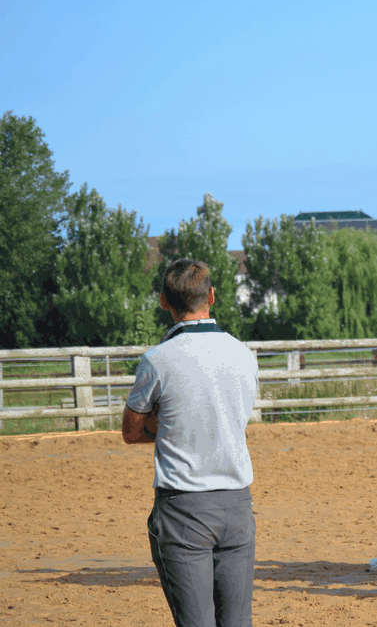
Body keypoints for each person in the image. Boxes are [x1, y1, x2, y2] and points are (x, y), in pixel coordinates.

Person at [122, 259, 259, 627]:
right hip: (236, 504)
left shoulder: (156, 360)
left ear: (164, 302)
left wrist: (163, 427)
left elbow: (131, 431)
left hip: (184, 507)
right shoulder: (244, 356)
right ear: (211, 296)